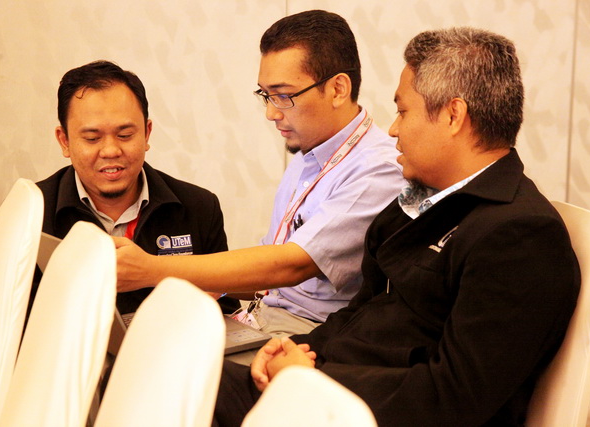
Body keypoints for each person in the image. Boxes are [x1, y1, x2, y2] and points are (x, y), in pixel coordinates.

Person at [212, 27, 581, 426]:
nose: (392, 130)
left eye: (403, 112)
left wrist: (313, 381)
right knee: (186, 372)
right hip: (325, 392)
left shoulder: (520, 235)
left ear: (453, 116)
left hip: (353, 412)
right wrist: (297, 349)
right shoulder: (423, 202)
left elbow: (454, 398)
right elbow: (361, 314)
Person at [114, 10, 404, 341]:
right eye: (266, 95)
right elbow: (270, 268)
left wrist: (152, 270)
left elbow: (290, 265)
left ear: (338, 89)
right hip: (264, 315)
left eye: (284, 96)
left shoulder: (378, 169)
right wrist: (210, 284)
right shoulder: (308, 153)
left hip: (312, 333)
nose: (271, 112)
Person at [34, 60, 238, 316]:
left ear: (147, 133)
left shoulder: (199, 207)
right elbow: (6, 321)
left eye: (125, 135)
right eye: (92, 138)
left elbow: (226, 311)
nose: (111, 151)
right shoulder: (30, 216)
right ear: (64, 141)